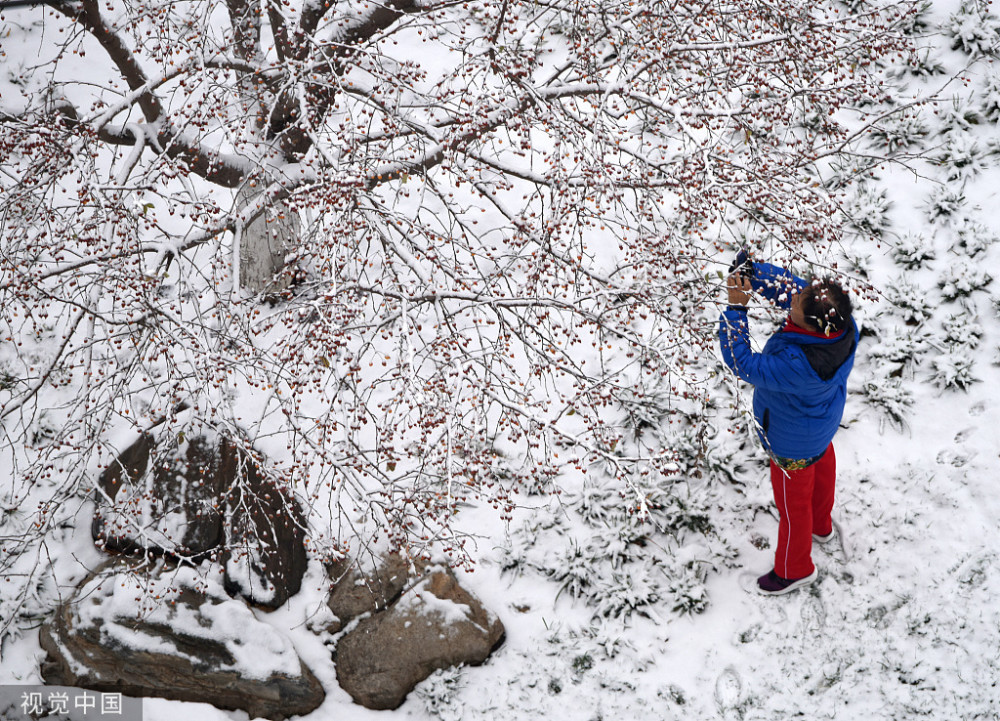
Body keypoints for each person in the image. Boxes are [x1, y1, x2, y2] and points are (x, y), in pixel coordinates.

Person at [718, 254, 859, 595]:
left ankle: (794, 569)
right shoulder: (842, 328)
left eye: (798, 303)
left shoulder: (799, 365)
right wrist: (755, 274)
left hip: (790, 444)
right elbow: (793, 293)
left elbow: (743, 362)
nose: (793, 297)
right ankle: (821, 526)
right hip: (819, 426)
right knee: (822, 466)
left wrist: (737, 309)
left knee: (792, 509)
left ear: (812, 325)